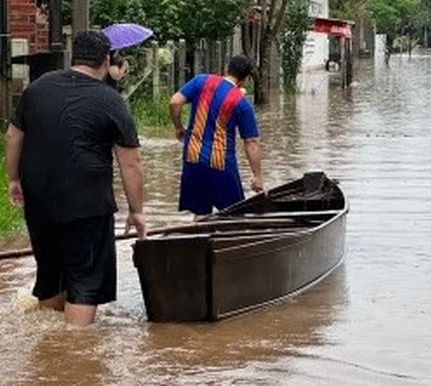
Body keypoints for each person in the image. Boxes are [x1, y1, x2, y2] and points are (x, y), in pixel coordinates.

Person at [5, 31, 147, 327]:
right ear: (106, 60)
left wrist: (13, 179)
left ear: (74, 56)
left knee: (51, 276)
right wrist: (137, 210)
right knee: (85, 282)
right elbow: (130, 163)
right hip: (88, 205)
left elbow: (13, 136)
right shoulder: (111, 100)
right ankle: (73, 358)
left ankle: (50, 348)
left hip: (40, 201)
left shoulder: (38, 88)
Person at [169, 55, 264, 218]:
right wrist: (258, 176)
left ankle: (198, 242)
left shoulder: (201, 81)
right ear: (245, 79)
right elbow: (251, 142)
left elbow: (174, 102)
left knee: (200, 216)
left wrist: (178, 127)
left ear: (226, 68)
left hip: (193, 160)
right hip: (221, 165)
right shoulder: (242, 103)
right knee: (234, 216)